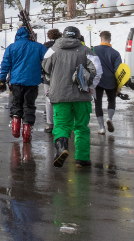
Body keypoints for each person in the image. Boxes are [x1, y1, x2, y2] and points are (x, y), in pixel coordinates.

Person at [42, 26, 101, 168]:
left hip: (60, 95)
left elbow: (45, 67)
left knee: (61, 125)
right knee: (81, 127)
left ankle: (62, 148)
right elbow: (97, 70)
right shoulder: (86, 51)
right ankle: (82, 159)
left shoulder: (53, 50)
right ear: (78, 37)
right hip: (81, 95)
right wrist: (91, 86)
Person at [0, 25, 46, 142]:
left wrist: (2, 80)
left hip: (16, 81)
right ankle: (26, 132)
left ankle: (15, 127)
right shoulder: (38, 47)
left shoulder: (11, 47)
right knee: (29, 105)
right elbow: (47, 61)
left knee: (16, 103)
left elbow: (5, 64)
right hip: (32, 81)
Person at [91, 30, 122, 135]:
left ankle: (101, 128)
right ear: (110, 39)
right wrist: (119, 85)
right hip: (111, 81)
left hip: (97, 81)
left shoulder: (93, 50)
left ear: (101, 39)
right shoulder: (115, 53)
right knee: (111, 101)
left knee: (98, 103)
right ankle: (109, 118)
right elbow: (118, 70)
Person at [42, 28, 61, 133]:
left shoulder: (45, 47)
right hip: (60, 76)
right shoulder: (61, 46)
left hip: (47, 76)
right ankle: (60, 122)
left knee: (48, 99)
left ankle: (50, 123)